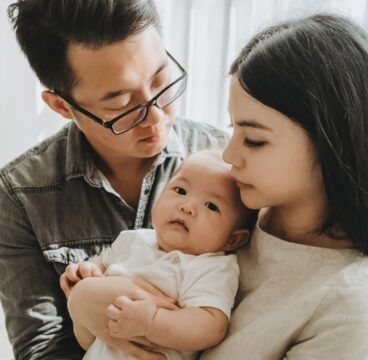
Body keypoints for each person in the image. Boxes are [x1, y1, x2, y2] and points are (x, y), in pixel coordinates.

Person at [70, 14, 368, 360]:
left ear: (334, 145)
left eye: (254, 140)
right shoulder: (229, 217)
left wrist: (94, 301)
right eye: (233, 130)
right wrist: (84, 298)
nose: (229, 155)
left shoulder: (357, 303)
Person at [0, 1, 229, 359]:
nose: (155, 118)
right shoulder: (20, 194)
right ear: (62, 106)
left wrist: (95, 301)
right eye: (122, 104)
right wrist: (82, 307)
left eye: (161, 81)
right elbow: (42, 349)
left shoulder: (230, 163)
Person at [60, 150, 255, 360]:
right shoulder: (133, 239)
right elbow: (102, 267)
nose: (187, 206)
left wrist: (152, 322)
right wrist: (88, 270)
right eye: (180, 190)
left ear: (232, 240)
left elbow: (211, 326)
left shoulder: (211, 266)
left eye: (211, 206)